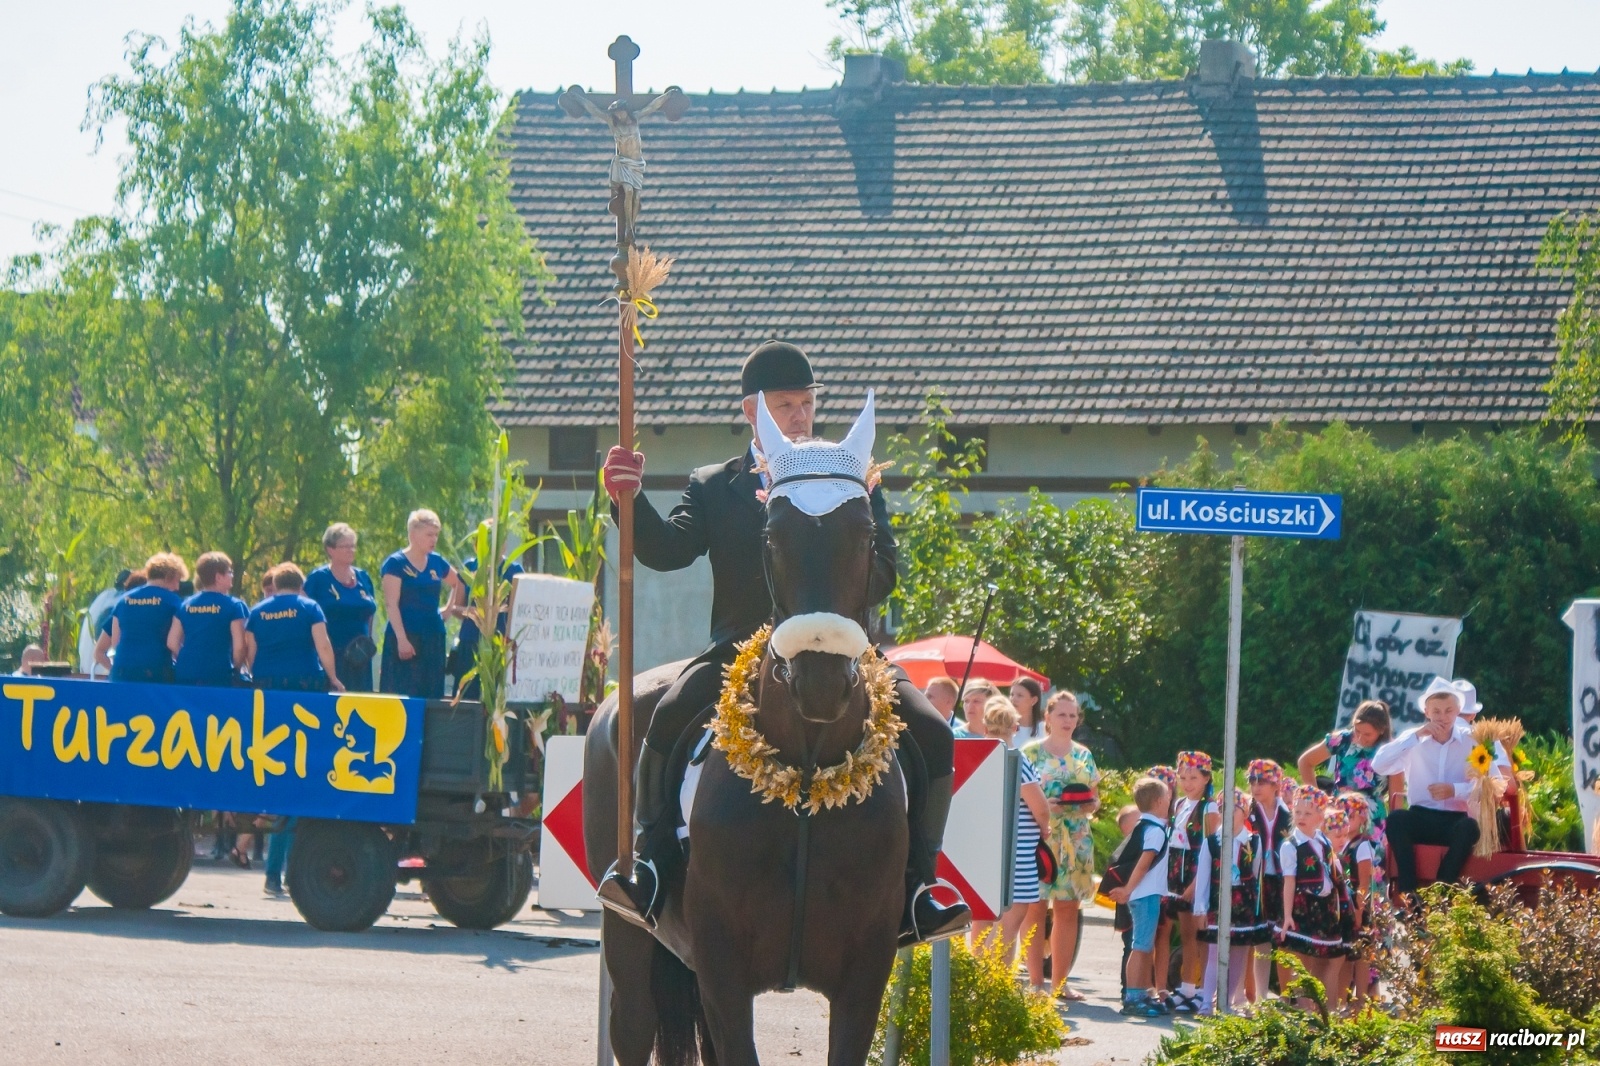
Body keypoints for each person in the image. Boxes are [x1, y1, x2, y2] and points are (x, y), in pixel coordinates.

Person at [596, 340, 967, 944]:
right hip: (739, 651)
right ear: (753, 411)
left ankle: (921, 885)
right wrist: (627, 498)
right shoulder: (715, 484)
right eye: (785, 405)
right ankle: (652, 867)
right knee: (664, 718)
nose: (800, 416)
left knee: (933, 731)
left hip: (844, 651)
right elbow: (666, 551)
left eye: (807, 403)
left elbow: (885, 573)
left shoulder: (850, 475)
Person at [1372, 676, 1504, 892]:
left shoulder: (1473, 739)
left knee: (1470, 828)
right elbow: (1379, 765)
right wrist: (1416, 735)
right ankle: (1408, 891)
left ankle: (1442, 889)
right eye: (1436, 711)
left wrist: (1456, 790)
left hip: (1455, 820)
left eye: (1448, 711)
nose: (1442, 717)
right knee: (1396, 819)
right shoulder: (1413, 738)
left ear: (1458, 711)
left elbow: (1495, 784)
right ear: (1427, 712)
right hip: (1420, 816)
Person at [1022, 689, 1100, 1001]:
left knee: (1068, 910)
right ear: (1048, 717)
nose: (1068, 720)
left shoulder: (1084, 755)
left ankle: (1060, 983)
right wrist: (1045, 806)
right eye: (1061, 714)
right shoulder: (1030, 753)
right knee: (1035, 907)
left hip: (1076, 839)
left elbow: (1095, 797)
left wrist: (1090, 804)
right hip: (1039, 836)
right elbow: (1018, 795)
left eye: (1072, 715)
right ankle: (1035, 983)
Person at [972, 697, 1050, 984]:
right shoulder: (1017, 760)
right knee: (1008, 928)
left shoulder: (977, 756)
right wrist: (1045, 828)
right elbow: (1039, 806)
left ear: (985, 727)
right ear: (1015, 727)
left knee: (981, 924)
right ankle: (997, 986)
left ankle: (976, 981)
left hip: (984, 851)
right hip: (1016, 855)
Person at [1192, 789, 1270, 1015]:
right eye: (1223, 808)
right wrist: (1200, 908)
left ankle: (1225, 1002)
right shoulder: (1212, 842)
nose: (1227, 813)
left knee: (1238, 954)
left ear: (1244, 812)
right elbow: (1203, 877)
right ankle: (1207, 1001)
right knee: (1215, 952)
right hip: (1219, 902)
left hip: (1243, 904)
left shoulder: (1254, 841)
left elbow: (1256, 873)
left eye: (1233, 809)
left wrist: (1256, 908)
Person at [1296, 699, 1399, 853]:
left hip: (1372, 821)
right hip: (1339, 816)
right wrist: (1319, 801)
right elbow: (1305, 762)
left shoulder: (1391, 751)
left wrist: (1393, 834)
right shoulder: (1342, 740)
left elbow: (1396, 799)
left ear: (1381, 730)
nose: (1360, 738)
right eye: (1357, 731)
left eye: (1367, 734)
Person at [379, 510, 463, 699]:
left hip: (433, 636)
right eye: (429, 535)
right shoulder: (396, 563)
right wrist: (402, 639)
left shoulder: (436, 561)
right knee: (402, 693)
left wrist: (449, 609)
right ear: (413, 534)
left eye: (436, 535)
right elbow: (391, 604)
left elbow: (457, 581)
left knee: (432, 693)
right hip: (406, 636)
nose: (434, 540)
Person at [1275, 787, 1348, 1004]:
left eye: (1307, 813)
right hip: (1303, 906)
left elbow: (1332, 872)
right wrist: (1288, 915)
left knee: (1322, 959)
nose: (1301, 817)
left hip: (1324, 908)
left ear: (1320, 816)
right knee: (1302, 960)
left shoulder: (1323, 841)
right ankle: (1304, 1009)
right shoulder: (1291, 846)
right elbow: (1289, 882)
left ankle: (1322, 1009)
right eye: (1297, 812)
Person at [1108, 776, 1171, 1018]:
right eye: (1167, 797)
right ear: (1159, 801)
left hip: (1144, 894)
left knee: (1145, 945)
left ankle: (1142, 993)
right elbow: (1143, 864)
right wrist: (1128, 889)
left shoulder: (1143, 826)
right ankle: (1133, 997)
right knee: (1141, 946)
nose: (1169, 801)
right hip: (1145, 895)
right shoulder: (1155, 831)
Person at [1165, 750, 1219, 1013]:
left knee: (1202, 936)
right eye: (1183, 777)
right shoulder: (1179, 804)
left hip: (1197, 875)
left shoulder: (1209, 808)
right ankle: (1186, 987)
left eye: (1194, 778)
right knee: (1187, 934)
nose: (1187, 783)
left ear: (1206, 778)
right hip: (1178, 873)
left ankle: (1203, 991)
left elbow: (1212, 849)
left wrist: (1196, 884)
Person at [245, 564, 344, 694]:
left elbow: (251, 651)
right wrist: (333, 678)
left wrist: (254, 674)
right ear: (300, 586)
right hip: (306, 677)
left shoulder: (256, 612)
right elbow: (323, 646)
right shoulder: (311, 607)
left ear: (276, 585)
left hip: (266, 679)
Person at [304, 523, 378, 692]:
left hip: (360, 655)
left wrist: (368, 641)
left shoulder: (363, 577)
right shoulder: (318, 579)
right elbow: (307, 614)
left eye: (353, 546)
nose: (351, 550)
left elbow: (370, 612)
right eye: (346, 546)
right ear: (330, 549)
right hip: (330, 654)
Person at [96, 553, 187, 683]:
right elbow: (176, 641)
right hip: (156, 672)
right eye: (177, 581)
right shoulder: (173, 601)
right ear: (168, 577)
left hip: (122, 673)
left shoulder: (123, 601)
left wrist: (114, 670)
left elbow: (115, 643)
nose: (177, 587)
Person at [1245, 758, 1293, 1000]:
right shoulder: (1247, 812)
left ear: (1276, 785)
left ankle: (1287, 995)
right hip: (1257, 882)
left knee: (1284, 938)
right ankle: (1261, 997)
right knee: (1260, 939)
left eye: (1262, 781)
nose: (1256, 787)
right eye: (1252, 781)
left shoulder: (1288, 814)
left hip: (1283, 882)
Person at [448, 552, 524, 699]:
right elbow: (455, 608)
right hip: (471, 640)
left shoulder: (514, 570)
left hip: (500, 642)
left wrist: (498, 609)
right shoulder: (470, 567)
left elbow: (520, 608)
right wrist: (472, 611)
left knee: (496, 695)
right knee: (467, 696)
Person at [169, 552, 247, 687]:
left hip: (186, 673)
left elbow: (172, 641)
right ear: (218, 577)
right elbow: (239, 647)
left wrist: (187, 660)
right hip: (219, 674)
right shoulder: (234, 606)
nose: (232, 576)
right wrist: (236, 670)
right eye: (229, 572)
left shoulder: (185, 605)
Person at [1008, 677, 1044, 746]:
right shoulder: (1003, 729)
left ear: (1033, 700)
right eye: (1012, 695)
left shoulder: (1044, 730)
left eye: (1020, 695)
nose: (1013, 699)